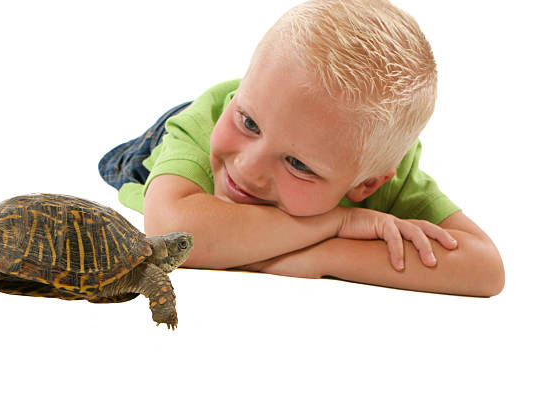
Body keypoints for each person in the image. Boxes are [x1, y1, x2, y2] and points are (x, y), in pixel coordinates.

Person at [99, 0, 504, 297]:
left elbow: (485, 268)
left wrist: (326, 257)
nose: (248, 168)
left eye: (297, 164)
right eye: (250, 123)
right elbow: (172, 234)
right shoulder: (206, 126)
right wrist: (336, 223)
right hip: (163, 143)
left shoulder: (379, 168)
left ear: (366, 186)